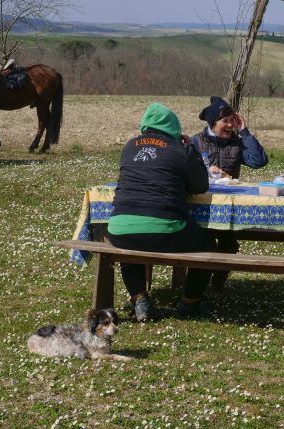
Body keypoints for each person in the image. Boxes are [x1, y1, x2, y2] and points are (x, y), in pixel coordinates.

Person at [106, 102, 217, 321]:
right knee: (208, 246)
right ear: (173, 127)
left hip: (118, 228)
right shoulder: (179, 149)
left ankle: (140, 300)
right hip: (164, 228)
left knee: (130, 242)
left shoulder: (129, 146)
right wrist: (192, 150)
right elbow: (200, 186)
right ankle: (190, 303)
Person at [190, 96, 268, 292]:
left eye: (232, 120)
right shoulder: (195, 142)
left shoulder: (236, 142)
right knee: (202, 241)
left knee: (228, 243)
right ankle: (198, 283)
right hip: (199, 204)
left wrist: (245, 132)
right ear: (212, 123)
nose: (230, 125)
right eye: (225, 121)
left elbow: (258, 161)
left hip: (226, 205)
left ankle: (217, 281)